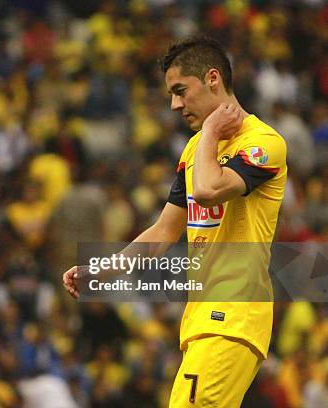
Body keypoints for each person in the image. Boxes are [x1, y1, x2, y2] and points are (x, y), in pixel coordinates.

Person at [63, 36, 287, 407]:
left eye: (181, 90)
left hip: (231, 317)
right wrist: (97, 272)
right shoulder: (194, 148)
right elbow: (164, 231)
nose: (174, 104)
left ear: (213, 78)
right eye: (171, 93)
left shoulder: (264, 143)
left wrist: (211, 133)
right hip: (201, 321)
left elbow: (208, 191)